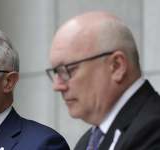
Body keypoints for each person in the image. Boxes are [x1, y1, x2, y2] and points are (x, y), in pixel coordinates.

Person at [46, 11, 160, 150]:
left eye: (67, 70)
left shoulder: (153, 130)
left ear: (117, 66)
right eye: (56, 72)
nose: (57, 86)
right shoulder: (86, 143)